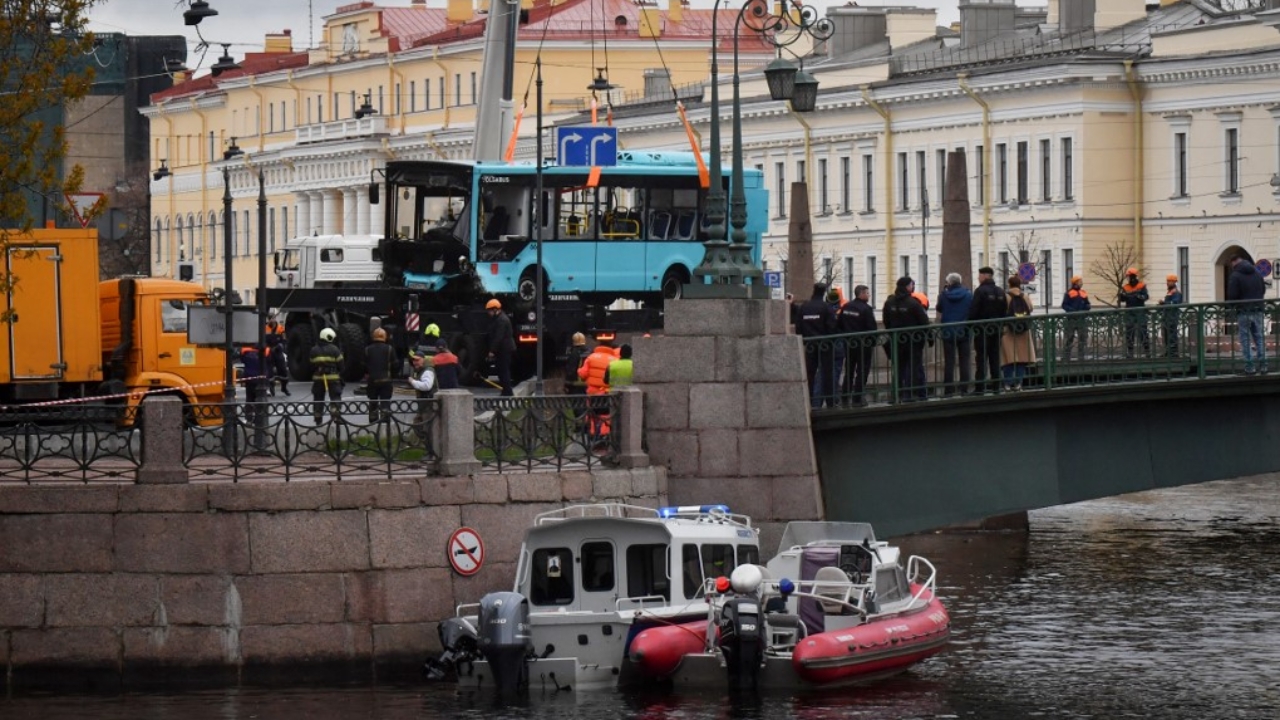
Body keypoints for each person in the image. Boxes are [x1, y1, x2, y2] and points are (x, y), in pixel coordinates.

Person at [882, 276, 930, 402]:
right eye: (911, 285)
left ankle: (897, 394)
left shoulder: (890, 302)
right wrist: (929, 337)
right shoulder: (913, 303)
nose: (912, 287)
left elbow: (886, 321)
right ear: (907, 287)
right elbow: (924, 322)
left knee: (898, 367)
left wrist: (892, 333)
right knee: (914, 366)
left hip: (897, 339)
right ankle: (916, 394)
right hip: (913, 340)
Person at [796, 283, 837, 408]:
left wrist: (805, 339)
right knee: (827, 373)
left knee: (810, 374)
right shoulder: (826, 307)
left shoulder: (804, 307)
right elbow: (832, 327)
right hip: (825, 345)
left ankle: (808, 401)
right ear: (824, 292)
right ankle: (830, 402)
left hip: (809, 345)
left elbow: (799, 327)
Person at [968, 266, 1007, 394]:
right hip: (996, 330)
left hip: (982, 330)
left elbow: (974, 311)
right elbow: (1004, 311)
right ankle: (997, 386)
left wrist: (970, 325)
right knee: (995, 358)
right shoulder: (1001, 291)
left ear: (985, 276)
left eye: (979, 275)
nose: (978, 278)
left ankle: (980, 387)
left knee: (981, 359)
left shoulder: (980, 291)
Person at [1227, 254, 1268, 375]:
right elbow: (1263, 289)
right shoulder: (1257, 272)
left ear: (1234, 262)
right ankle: (1263, 365)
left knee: (1245, 339)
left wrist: (1231, 307)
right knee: (1259, 337)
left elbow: (1232, 295)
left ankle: (1250, 367)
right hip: (1258, 308)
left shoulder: (1235, 275)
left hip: (1244, 311)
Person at [838, 285, 877, 406]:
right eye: (867, 293)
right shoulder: (866, 309)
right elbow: (872, 328)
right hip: (863, 344)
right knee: (862, 371)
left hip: (849, 344)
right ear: (861, 294)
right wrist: (872, 342)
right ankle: (857, 398)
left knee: (849, 370)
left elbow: (840, 323)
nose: (868, 295)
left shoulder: (846, 306)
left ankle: (844, 397)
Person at [936, 272, 973, 397]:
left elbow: (939, 308)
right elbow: (971, 309)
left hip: (948, 331)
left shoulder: (944, 295)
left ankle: (948, 390)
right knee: (964, 361)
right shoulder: (968, 294)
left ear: (949, 283)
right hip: (964, 330)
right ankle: (964, 389)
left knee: (949, 362)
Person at [1001, 275, 1036, 391]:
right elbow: (1030, 308)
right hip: (1023, 329)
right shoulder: (1024, 296)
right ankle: (1019, 383)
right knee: (1022, 358)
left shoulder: (1006, 296)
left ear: (1009, 284)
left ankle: (1007, 384)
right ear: (1019, 285)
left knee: (1008, 358)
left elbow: (1002, 311)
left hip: (1008, 330)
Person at [309, 327, 345, 423]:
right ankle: (336, 416)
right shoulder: (335, 349)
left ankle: (318, 417)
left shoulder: (313, 350)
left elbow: (311, 365)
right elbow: (341, 365)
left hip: (318, 379)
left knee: (318, 398)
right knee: (335, 397)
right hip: (333, 378)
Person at [363, 327, 397, 424]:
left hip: (372, 381)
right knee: (385, 402)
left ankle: (373, 421)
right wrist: (392, 376)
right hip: (386, 381)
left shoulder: (367, 349)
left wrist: (367, 374)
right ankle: (385, 421)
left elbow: (363, 365)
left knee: (373, 402)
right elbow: (395, 364)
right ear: (385, 337)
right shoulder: (390, 349)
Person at [1118, 267, 1151, 358]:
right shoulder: (1125, 287)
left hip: (1140, 312)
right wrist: (1122, 296)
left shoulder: (1141, 286)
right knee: (1129, 333)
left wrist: (1138, 296)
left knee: (1143, 332)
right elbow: (1122, 299)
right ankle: (1130, 352)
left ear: (1133, 277)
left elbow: (1146, 296)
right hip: (1130, 313)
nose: (1128, 278)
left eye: (1128, 276)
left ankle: (1147, 351)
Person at [485, 298, 516, 396]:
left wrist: (492, 350)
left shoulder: (502, 320)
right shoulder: (499, 319)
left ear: (495, 309)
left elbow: (499, 337)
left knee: (503, 370)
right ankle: (505, 390)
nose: (488, 313)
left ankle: (507, 391)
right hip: (503, 349)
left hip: (504, 350)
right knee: (501, 370)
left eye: (489, 311)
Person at [407, 353, 437, 444]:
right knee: (418, 424)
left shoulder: (428, 371)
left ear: (423, 360)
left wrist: (413, 382)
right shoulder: (420, 370)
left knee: (427, 428)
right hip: (424, 404)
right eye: (413, 360)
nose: (415, 362)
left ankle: (431, 450)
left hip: (429, 403)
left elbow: (426, 386)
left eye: (417, 360)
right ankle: (427, 446)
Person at [1060, 275, 1091, 362]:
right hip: (1072, 319)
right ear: (1075, 283)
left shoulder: (1083, 292)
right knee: (1069, 337)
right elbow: (1064, 305)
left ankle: (1081, 356)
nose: (1081, 283)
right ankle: (1066, 356)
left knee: (1082, 337)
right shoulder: (1069, 293)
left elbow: (1087, 304)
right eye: (1080, 281)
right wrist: (1072, 311)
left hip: (1081, 319)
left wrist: (1087, 307)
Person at [1157, 274, 1184, 359]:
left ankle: (1173, 353)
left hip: (1172, 317)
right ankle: (1168, 352)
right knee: (1166, 335)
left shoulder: (1176, 292)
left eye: (1170, 281)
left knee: (1172, 335)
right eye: (1167, 281)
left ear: (1174, 282)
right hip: (1166, 317)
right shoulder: (1170, 292)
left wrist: (1164, 303)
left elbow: (1175, 303)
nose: (1168, 283)